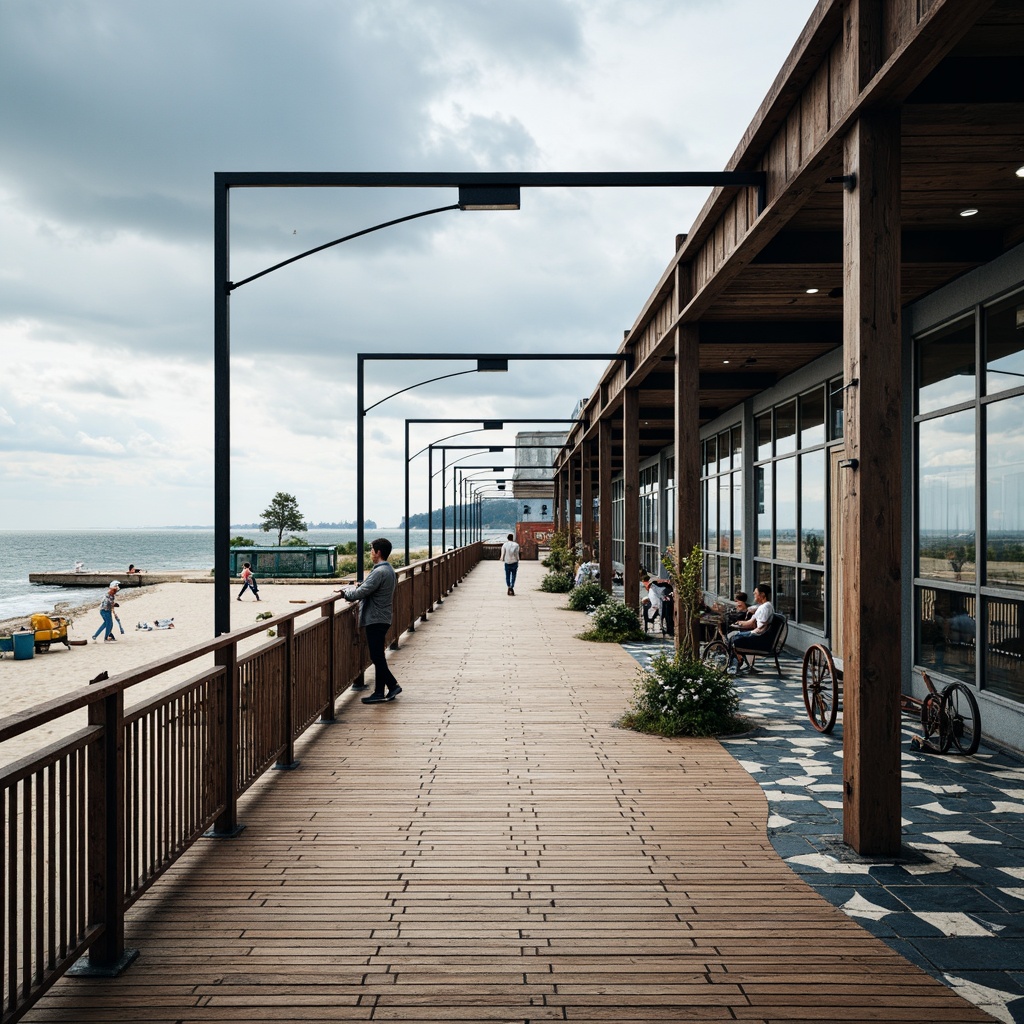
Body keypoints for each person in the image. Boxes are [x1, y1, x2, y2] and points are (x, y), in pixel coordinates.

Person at [340, 537, 402, 705]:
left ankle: (393, 684)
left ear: (378, 552)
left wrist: (345, 593)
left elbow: (362, 592)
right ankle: (379, 692)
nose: (370, 553)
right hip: (383, 617)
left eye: (372, 550)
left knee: (376, 656)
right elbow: (369, 587)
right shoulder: (388, 570)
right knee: (378, 656)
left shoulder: (379, 571)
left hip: (376, 618)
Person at [727, 583, 774, 671]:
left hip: (759, 637)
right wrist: (740, 623)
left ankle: (738, 662)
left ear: (762, 594)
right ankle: (741, 661)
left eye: (755, 593)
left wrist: (750, 632)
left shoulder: (766, 607)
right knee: (731, 636)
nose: (753, 594)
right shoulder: (763, 606)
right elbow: (750, 622)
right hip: (757, 634)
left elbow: (761, 627)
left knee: (733, 638)